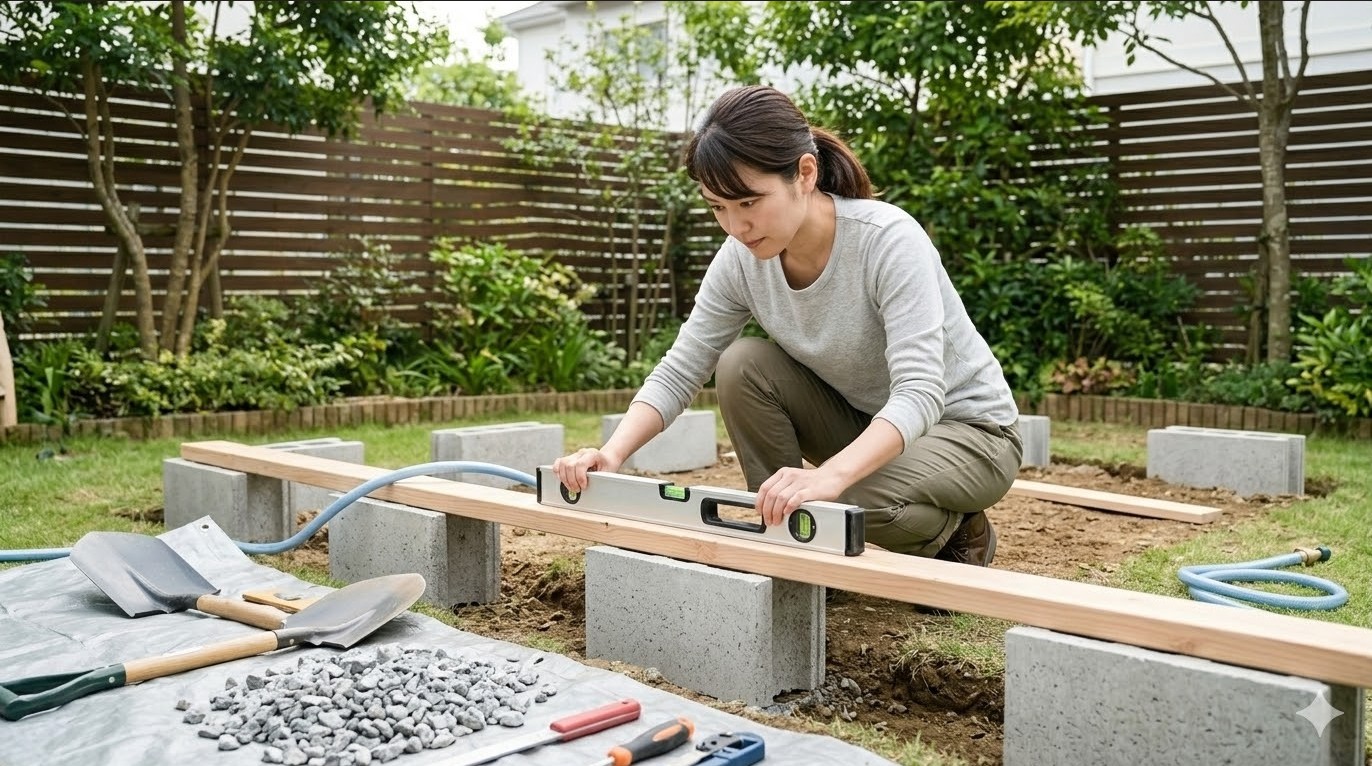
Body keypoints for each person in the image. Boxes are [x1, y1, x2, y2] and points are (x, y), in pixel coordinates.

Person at [552, 84, 1022, 566]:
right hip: (870, 423)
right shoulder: (740, 260)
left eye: (749, 203)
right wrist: (610, 455)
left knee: (840, 496)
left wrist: (830, 477)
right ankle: (791, 543)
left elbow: (921, 390)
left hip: (972, 433)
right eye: (718, 207)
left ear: (805, 173)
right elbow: (681, 369)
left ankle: (959, 534)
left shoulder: (888, 240)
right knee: (742, 364)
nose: (736, 226)